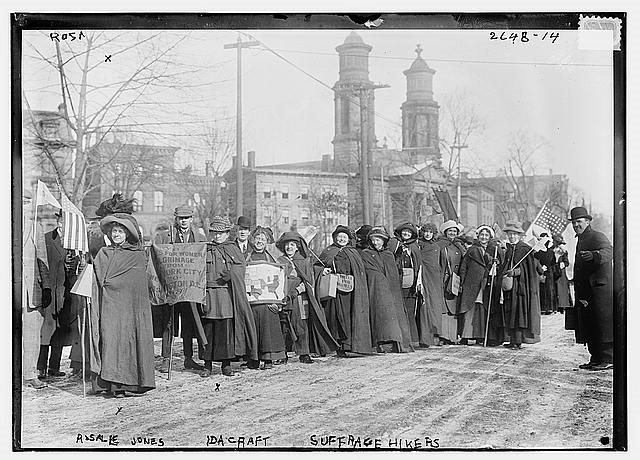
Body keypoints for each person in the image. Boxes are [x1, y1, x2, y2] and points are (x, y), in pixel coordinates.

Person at [91, 212, 155, 397]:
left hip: (132, 308)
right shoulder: (104, 253)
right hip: (111, 307)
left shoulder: (137, 255)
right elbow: (97, 278)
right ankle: (113, 385)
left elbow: (142, 283)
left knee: (130, 340)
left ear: (127, 234)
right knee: (111, 341)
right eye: (114, 232)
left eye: (120, 231)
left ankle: (132, 384)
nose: (116, 235)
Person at [200, 216, 258, 377]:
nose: (217, 236)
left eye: (221, 233)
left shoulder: (232, 249)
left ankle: (226, 365)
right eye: (214, 233)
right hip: (209, 295)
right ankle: (207, 365)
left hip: (226, 296)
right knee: (208, 331)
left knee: (225, 331)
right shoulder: (205, 249)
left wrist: (231, 274)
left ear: (227, 234)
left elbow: (241, 266)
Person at [154, 206, 207, 372]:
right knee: (168, 323)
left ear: (191, 219)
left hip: (190, 288)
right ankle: (166, 358)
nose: (184, 221)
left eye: (187, 218)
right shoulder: (165, 236)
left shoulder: (199, 237)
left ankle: (188, 358)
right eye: (180, 218)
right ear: (176, 219)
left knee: (188, 324)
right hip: (171, 287)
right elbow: (156, 256)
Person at [276, 231, 339, 363]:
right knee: (285, 325)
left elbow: (309, 280)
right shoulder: (280, 261)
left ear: (297, 247)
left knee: (301, 325)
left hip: (299, 298)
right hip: (285, 297)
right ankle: (283, 354)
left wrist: (298, 290)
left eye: (292, 245)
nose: (289, 248)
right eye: (287, 245)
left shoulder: (304, 261)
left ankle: (304, 353)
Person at [569, 207, 613, 371]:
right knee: (589, 324)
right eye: (574, 223)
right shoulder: (580, 238)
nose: (576, 225)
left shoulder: (596, 236)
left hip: (599, 290)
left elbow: (609, 251)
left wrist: (595, 255)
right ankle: (595, 358)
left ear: (587, 222)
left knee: (602, 324)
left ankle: (608, 358)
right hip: (586, 290)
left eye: (579, 222)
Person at [317, 225, 373, 356]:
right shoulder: (328, 251)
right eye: (339, 236)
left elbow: (359, 271)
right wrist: (322, 270)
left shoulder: (353, 252)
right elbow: (317, 266)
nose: (341, 239)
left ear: (348, 239)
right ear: (335, 237)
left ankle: (348, 345)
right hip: (333, 291)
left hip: (349, 291)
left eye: (344, 237)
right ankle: (336, 346)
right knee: (334, 317)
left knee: (348, 316)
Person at [39, 210, 82, 379]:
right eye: (61, 222)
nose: (63, 226)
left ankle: (54, 367)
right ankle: (40, 366)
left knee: (60, 330)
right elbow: (41, 264)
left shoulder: (74, 243)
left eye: (66, 223)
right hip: (50, 292)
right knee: (47, 330)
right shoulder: (47, 238)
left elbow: (75, 268)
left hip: (65, 293)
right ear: (58, 222)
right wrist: (45, 288)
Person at [360, 226, 413, 353]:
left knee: (393, 316)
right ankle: (382, 343)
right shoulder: (366, 254)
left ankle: (395, 342)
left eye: (378, 240)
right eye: (373, 240)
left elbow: (394, 273)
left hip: (392, 292)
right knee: (380, 315)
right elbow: (368, 271)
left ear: (383, 241)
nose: (375, 242)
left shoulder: (389, 255)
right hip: (376, 290)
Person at [245, 226, 287, 369]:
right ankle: (253, 359)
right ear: (253, 239)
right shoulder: (246, 257)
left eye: (263, 239)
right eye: (258, 238)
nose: (260, 241)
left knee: (268, 330)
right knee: (252, 330)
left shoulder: (272, 258)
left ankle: (268, 359)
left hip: (268, 303)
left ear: (267, 241)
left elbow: (280, 278)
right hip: (251, 303)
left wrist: (278, 301)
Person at [22, 188, 51, 389]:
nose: (22, 207)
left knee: (32, 334)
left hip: (31, 292)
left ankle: (30, 374)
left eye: (26, 203)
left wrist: (47, 287)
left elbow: (43, 260)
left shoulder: (36, 227)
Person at [457, 225, 502, 345]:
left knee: (482, 308)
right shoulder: (472, 249)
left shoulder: (494, 250)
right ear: (478, 236)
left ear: (490, 237)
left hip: (485, 283)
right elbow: (464, 266)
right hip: (471, 283)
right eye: (482, 235)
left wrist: (496, 263)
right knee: (469, 308)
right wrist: (462, 281)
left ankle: (481, 335)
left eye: (486, 235)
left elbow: (500, 266)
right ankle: (466, 335)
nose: (484, 237)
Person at [500, 221, 541, 349]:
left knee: (518, 313)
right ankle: (512, 340)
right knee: (510, 312)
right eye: (509, 234)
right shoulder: (509, 249)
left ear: (519, 235)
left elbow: (529, 270)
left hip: (520, 288)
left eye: (514, 234)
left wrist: (516, 272)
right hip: (509, 287)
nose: (512, 237)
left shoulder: (524, 249)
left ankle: (518, 341)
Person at [389, 222, 421, 349]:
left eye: (409, 232)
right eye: (404, 232)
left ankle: (412, 339)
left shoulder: (414, 247)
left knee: (409, 310)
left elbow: (418, 265)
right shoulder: (394, 244)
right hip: (397, 281)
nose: (406, 234)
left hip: (410, 284)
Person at [437, 220, 466, 345]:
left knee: (453, 307)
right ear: (445, 232)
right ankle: (443, 336)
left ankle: (452, 336)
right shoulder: (440, 245)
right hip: (443, 279)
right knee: (444, 307)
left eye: (455, 231)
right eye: (450, 231)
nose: (452, 233)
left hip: (455, 279)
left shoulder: (459, 246)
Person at [416, 223, 444, 347]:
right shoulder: (418, 245)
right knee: (423, 306)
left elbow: (438, 265)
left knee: (433, 306)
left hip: (434, 280)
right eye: (426, 231)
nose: (428, 234)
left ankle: (434, 335)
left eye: (430, 232)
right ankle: (423, 338)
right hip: (421, 278)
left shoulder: (436, 247)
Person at [535, 232, 557, 315]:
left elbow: (552, 262)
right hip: (541, 271)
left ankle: (549, 308)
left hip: (548, 272)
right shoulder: (539, 252)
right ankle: (544, 308)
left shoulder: (549, 252)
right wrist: (540, 267)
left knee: (548, 289)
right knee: (543, 289)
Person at [551, 234, 572, 314]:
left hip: (561, 272)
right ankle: (556, 305)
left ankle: (563, 305)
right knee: (555, 288)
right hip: (554, 270)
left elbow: (567, 262)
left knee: (562, 289)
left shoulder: (563, 251)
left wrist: (563, 263)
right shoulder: (551, 250)